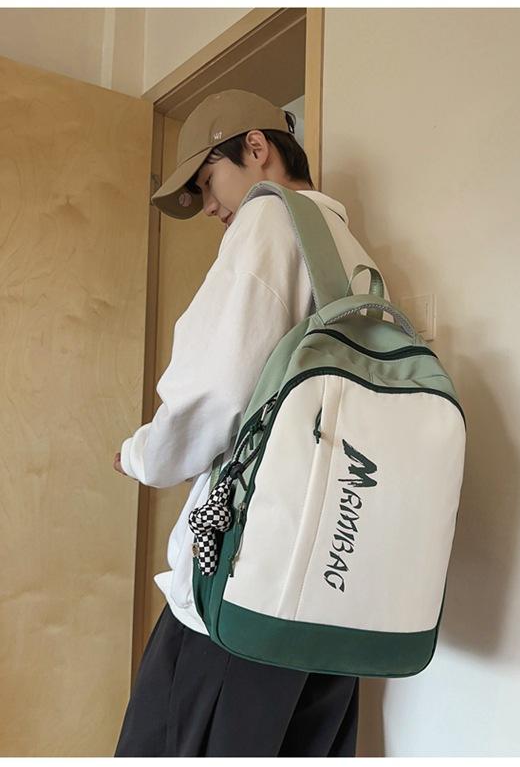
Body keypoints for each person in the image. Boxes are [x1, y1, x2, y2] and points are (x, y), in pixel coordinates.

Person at [113, 89, 390, 757]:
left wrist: (142, 454)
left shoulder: (269, 220)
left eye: (207, 181)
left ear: (257, 147)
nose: (208, 206)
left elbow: (214, 386)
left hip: (245, 584)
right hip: (334, 589)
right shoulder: (354, 256)